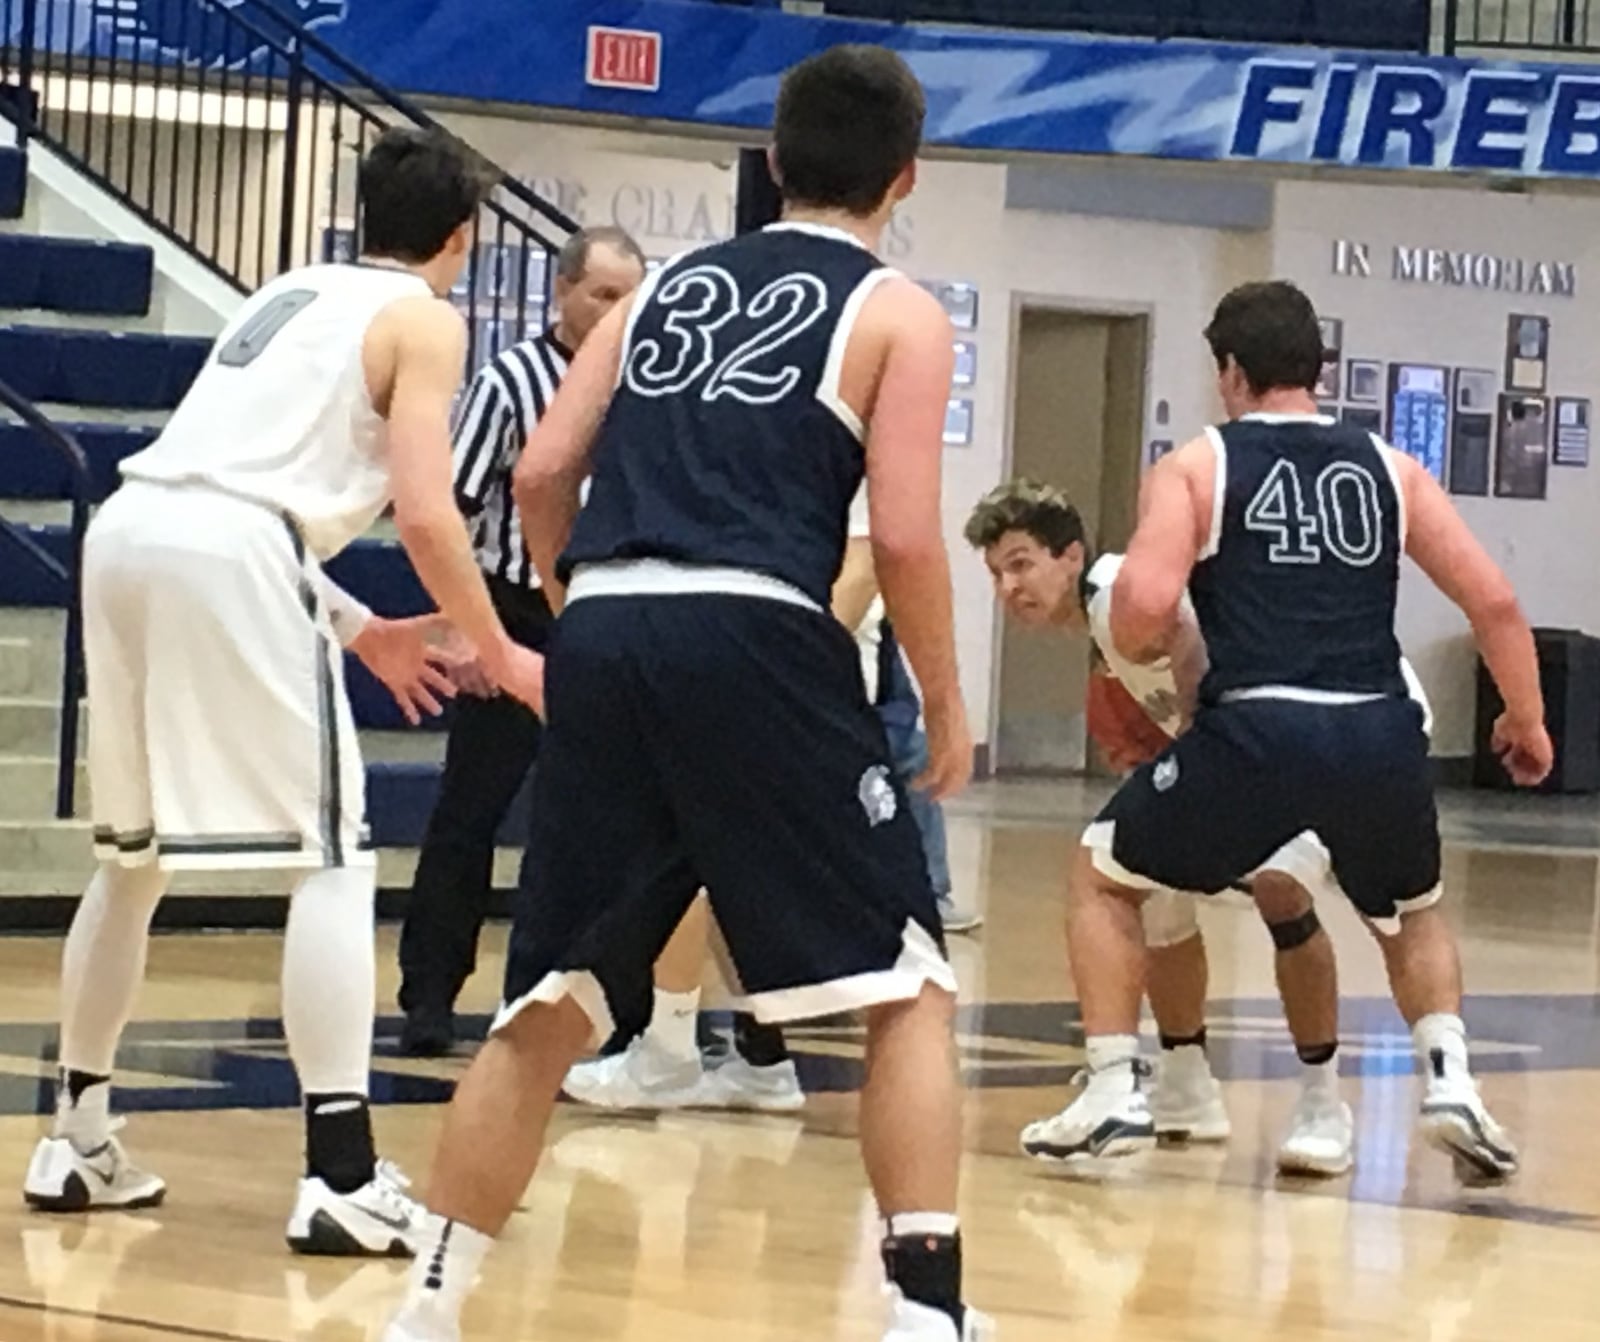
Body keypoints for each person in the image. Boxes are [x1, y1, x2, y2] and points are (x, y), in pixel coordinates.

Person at [383, 46, 990, 1342]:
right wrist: (944, 701)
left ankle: (427, 1306)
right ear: (905, 178)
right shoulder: (897, 311)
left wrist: (571, 608)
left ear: (772, 164)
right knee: (906, 987)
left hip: (606, 624)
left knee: (547, 1002)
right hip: (759, 628)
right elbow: (908, 535)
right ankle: (928, 1316)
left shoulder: (651, 294)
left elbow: (545, 468)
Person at [22, 127, 545, 1255]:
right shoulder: (426, 317)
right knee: (333, 856)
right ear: (459, 239)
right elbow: (422, 509)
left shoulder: (291, 289)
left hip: (129, 527)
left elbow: (230, 482)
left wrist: (361, 630)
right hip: (228, 545)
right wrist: (499, 649)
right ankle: (341, 1174)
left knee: (133, 857)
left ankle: (73, 1134)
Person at [1015, 281, 1550, 1185]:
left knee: (1104, 873)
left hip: (1257, 731)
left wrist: (1152, 643)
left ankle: (1113, 1085)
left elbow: (1143, 609)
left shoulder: (1197, 466)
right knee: (1411, 912)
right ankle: (1452, 1081)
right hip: (1378, 731)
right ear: (1321, 368)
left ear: (1228, 370)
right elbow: (1493, 599)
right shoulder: (1391, 465)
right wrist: (1525, 717)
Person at [966, 480, 1456, 1176]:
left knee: (1282, 886)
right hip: (1293, 738)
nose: (1009, 586)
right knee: (1151, 883)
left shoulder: (1118, 591)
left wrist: (1202, 760)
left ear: (1071, 555)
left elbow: (1196, 647)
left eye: (1021, 563)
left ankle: (1323, 1101)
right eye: (996, 573)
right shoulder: (1106, 629)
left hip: (1329, 730)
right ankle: (1185, 1081)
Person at [560, 486, 980, 1115]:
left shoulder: (836, 446)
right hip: (770, 681)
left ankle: (669, 1052)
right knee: (732, 875)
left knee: (687, 859)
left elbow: (867, 568)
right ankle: (761, 1057)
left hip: (794, 689)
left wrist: (775, 663)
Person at [398, 225, 646, 1056]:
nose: (615, 310)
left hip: (600, 613)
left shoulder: (644, 385)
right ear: (562, 292)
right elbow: (451, 512)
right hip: (510, 608)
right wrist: (466, 632)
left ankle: (578, 1001)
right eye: (602, 294)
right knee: (471, 813)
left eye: (628, 296)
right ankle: (429, 994)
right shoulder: (510, 383)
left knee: (599, 825)